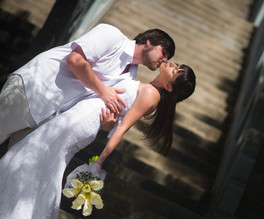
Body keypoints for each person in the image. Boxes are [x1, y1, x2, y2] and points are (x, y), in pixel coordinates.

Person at [0, 62, 196, 219]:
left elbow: (121, 128)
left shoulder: (152, 94)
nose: (171, 64)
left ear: (169, 87)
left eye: (174, 70)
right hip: (84, 116)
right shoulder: (149, 89)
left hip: (82, 120)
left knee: (35, 150)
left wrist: (100, 159)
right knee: (44, 161)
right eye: (176, 65)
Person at [0, 23, 175, 145]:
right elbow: (75, 60)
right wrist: (103, 91)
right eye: (164, 52)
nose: (165, 60)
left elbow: (103, 110)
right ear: (149, 41)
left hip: (50, 116)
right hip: (33, 89)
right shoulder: (112, 35)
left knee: (9, 169)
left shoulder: (130, 77)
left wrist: (107, 125)